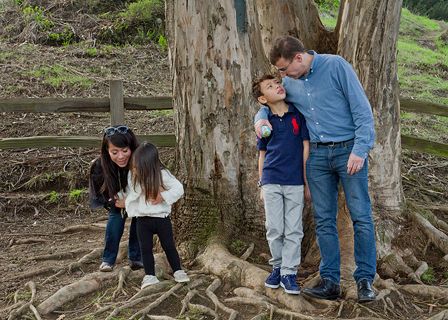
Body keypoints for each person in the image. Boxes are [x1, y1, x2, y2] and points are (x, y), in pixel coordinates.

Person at [254, 36, 377, 302]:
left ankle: (366, 279)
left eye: (284, 69)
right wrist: (260, 117)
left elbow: (363, 111)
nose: (282, 76)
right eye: (279, 73)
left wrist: (360, 150)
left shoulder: (337, 66)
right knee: (323, 219)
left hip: (348, 151)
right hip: (317, 156)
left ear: (298, 58)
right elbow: (271, 106)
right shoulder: (289, 84)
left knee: (361, 216)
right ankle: (330, 280)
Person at [252, 74, 310, 295]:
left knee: (294, 229)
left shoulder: (298, 114)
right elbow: (262, 154)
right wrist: (261, 184)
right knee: (274, 228)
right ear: (262, 99)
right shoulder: (264, 123)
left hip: (295, 181)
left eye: (277, 83)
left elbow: (305, 148)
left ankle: (289, 272)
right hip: (271, 181)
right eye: (269, 86)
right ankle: (277, 266)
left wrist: (305, 181)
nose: (277, 86)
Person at [125, 141, 190, 290]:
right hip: (142, 219)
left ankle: (178, 271)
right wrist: (135, 193)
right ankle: (150, 275)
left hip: (161, 218)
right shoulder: (133, 176)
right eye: (133, 166)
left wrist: (163, 196)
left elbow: (178, 188)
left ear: (148, 165)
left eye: (136, 167)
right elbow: (132, 191)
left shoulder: (163, 174)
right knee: (145, 249)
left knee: (169, 246)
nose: (133, 170)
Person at [89, 125, 143, 272]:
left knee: (140, 218)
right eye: (114, 152)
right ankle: (108, 259)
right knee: (116, 217)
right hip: (116, 202)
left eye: (125, 151)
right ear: (107, 151)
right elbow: (98, 194)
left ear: (132, 147)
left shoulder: (141, 160)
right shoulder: (99, 165)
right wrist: (115, 202)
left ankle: (136, 257)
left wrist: (132, 200)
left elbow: (151, 182)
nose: (121, 156)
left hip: (139, 198)